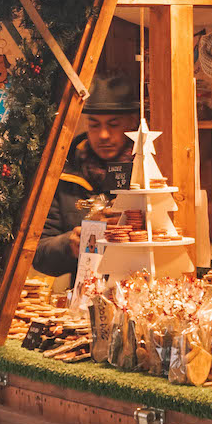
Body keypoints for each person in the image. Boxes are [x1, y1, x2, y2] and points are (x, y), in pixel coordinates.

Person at [34, 74, 137, 278]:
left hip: (149, 298)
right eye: (94, 125)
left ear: (132, 123)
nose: (103, 135)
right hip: (85, 302)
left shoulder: (150, 175)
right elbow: (38, 254)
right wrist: (70, 244)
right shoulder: (66, 175)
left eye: (113, 124)